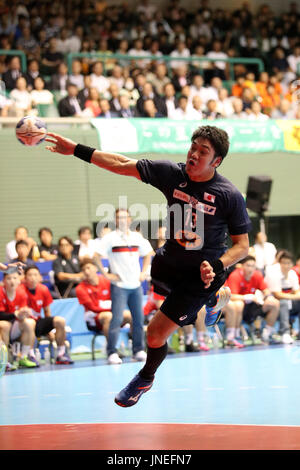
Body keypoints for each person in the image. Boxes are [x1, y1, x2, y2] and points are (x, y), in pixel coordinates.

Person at [44, 124, 251, 407]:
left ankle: (145, 376)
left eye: (203, 152)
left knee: (154, 333)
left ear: (216, 161)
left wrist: (217, 265)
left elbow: (242, 246)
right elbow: (121, 163)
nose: (194, 154)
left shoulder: (229, 195)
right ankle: (213, 302)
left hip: (203, 273)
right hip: (168, 263)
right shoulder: (172, 174)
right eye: (193, 147)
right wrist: (75, 150)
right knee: (172, 296)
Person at [94, 208, 153, 365]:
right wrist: (106, 275)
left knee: (139, 319)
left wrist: (144, 271)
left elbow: (148, 253)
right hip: (119, 286)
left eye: (125, 217)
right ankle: (112, 352)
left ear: (130, 219)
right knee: (117, 319)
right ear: (115, 220)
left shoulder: (137, 237)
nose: (123, 220)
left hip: (136, 286)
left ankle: (138, 350)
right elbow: (96, 257)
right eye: (119, 218)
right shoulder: (109, 238)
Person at [20, 265, 73, 365]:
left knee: (60, 321)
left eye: (35, 275)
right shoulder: (20, 290)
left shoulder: (43, 289)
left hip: (38, 322)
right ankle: (30, 355)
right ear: (25, 278)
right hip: (24, 325)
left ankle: (61, 354)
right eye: (30, 275)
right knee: (30, 323)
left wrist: (49, 330)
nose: (33, 278)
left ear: (40, 277)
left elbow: (47, 313)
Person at [224, 255, 280, 346]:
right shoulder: (235, 276)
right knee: (239, 304)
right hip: (240, 310)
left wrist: (268, 296)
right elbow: (231, 296)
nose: (250, 268)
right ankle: (235, 336)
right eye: (248, 265)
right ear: (242, 266)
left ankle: (267, 335)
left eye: (253, 266)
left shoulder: (257, 275)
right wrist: (247, 297)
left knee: (274, 303)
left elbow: (266, 290)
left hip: (253, 308)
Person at [76, 258, 131, 343]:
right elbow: (93, 308)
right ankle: (111, 350)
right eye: (83, 270)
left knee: (129, 315)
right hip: (93, 318)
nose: (86, 272)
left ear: (96, 268)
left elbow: (118, 299)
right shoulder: (80, 288)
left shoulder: (107, 281)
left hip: (112, 313)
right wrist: (113, 310)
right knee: (108, 316)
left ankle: (136, 347)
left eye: (88, 268)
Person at [0, 268, 37, 370]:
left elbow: (21, 315)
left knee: (30, 323)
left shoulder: (21, 294)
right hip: (3, 327)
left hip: (14, 328)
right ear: (3, 281)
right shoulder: (0, 292)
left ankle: (23, 357)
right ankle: (4, 360)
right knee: (5, 324)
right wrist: (15, 314)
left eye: (14, 278)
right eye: (9, 278)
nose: (12, 281)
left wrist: (24, 314)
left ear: (19, 280)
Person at [265, 251, 300, 344]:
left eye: (289, 263)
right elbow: (278, 295)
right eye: (284, 263)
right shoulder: (274, 274)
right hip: (273, 305)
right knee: (283, 302)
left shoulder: (292, 274)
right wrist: (294, 296)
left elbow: (297, 291)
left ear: (292, 264)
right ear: (280, 263)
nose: (286, 266)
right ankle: (285, 333)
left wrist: (295, 296)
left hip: (289, 302)